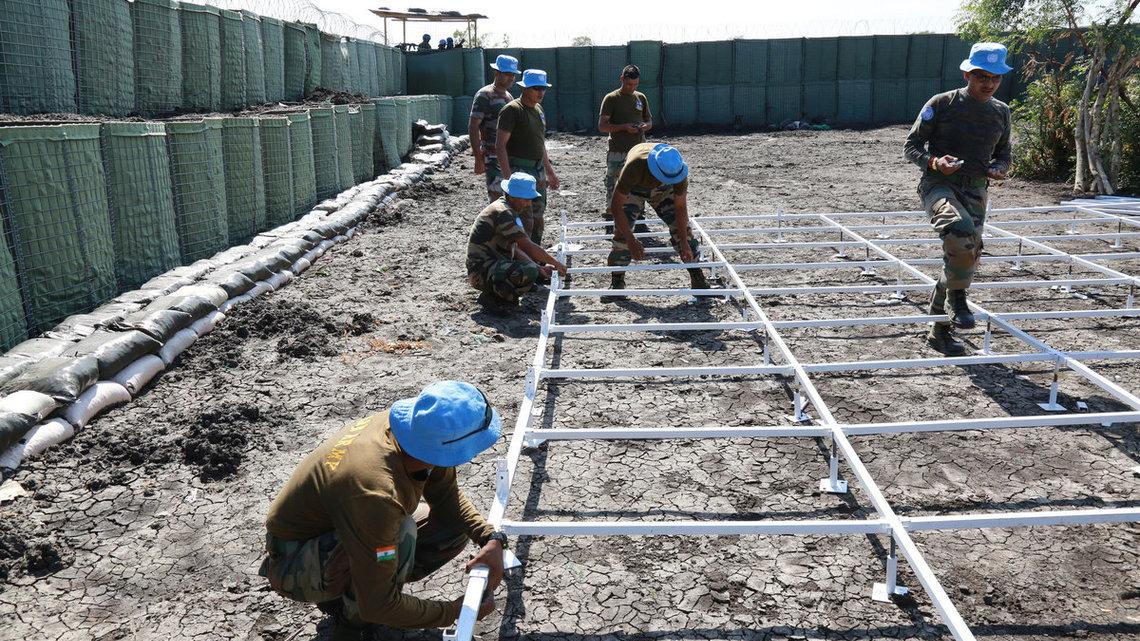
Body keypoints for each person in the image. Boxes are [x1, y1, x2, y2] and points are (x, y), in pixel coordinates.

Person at [258, 381, 508, 641]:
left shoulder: (417, 433)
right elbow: (378, 604)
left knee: (450, 528)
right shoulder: (376, 493)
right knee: (400, 534)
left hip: (340, 532)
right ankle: (349, 627)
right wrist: (454, 611)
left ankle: (345, 596)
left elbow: (446, 498)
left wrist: (490, 538)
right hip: (293, 561)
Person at [904, 42, 1012, 356]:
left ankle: (938, 330)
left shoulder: (1001, 111)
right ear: (967, 74)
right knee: (960, 235)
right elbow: (911, 147)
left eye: (995, 77)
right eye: (982, 76)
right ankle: (958, 300)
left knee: (964, 257)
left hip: (977, 191)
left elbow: (1004, 153)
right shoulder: (942, 103)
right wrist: (934, 162)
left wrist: (1000, 168)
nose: (989, 83)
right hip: (939, 185)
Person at [603, 143, 708, 301]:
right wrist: (631, 240)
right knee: (622, 232)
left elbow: (680, 208)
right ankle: (617, 283)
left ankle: (697, 276)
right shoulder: (634, 167)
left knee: (683, 231)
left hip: (663, 191)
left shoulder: (677, 170)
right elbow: (616, 207)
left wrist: (684, 241)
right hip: (634, 188)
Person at [467, 173, 568, 315]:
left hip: (488, 266)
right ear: (512, 196)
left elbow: (515, 248)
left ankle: (501, 293)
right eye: (525, 199)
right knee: (529, 270)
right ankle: (494, 297)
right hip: (480, 272)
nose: (528, 204)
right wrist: (556, 263)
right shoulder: (503, 212)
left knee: (533, 267)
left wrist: (539, 268)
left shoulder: (505, 207)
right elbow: (527, 246)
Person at [496, 69, 560, 246]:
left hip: (537, 171)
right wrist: (509, 179)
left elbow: (540, 144)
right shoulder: (512, 110)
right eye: (536, 88)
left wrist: (550, 173)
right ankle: (520, 256)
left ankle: (535, 252)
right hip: (519, 171)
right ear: (524, 88)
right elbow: (500, 146)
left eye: (543, 88)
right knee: (523, 219)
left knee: (538, 217)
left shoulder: (539, 109)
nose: (541, 92)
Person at [598, 65, 653, 224]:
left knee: (639, 183)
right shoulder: (611, 98)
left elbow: (649, 121)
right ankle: (611, 215)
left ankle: (638, 214)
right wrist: (624, 127)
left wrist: (644, 126)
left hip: (639, 151)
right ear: (621, 79)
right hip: (617, 151)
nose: (632, 88)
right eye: (629, 84)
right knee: (614, 183)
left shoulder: (641, 98)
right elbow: (602, 126)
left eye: (635, 84)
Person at [470, 55, 519, 202]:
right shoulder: (484, 95)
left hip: (508, 155)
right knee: (497, 198)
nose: (511, 78)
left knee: (512, 196)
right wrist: (478, 158)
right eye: (508, 74)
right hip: (491, 156)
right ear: (496, 73)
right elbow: (473, 127)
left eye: (513, 75)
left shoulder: (509, 97)